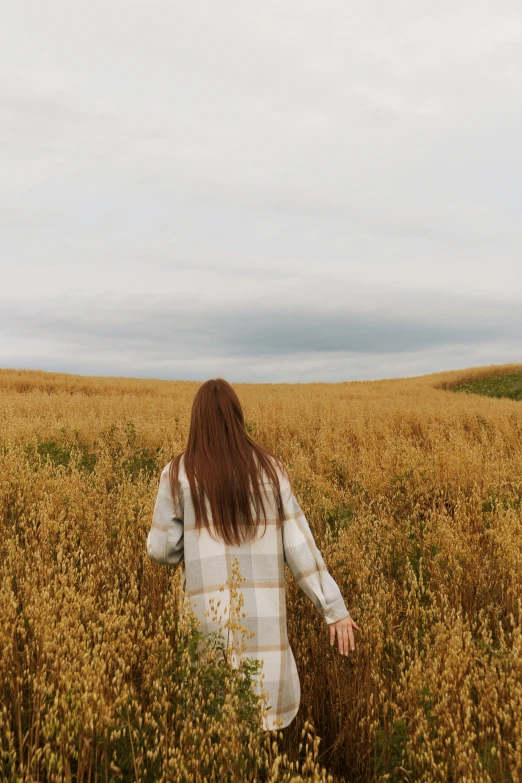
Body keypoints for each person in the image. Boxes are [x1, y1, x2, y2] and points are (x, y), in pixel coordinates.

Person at [146, 378, 360, 730]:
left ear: (196, 420)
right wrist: (333, 610)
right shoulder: (271, 471)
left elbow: (160, 550)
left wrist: (192, 541)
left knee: (214, 731)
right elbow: (298, 546)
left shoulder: (178, 474)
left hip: (207, 631)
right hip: (264, 634)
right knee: (261, 733)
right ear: (237, 417)